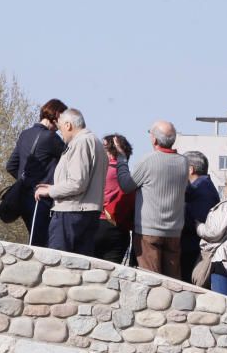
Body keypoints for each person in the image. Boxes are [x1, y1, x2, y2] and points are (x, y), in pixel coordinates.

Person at [114, 120, 189, 278]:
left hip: (148, 230)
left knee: (151, 281)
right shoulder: (184, 162)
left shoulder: (149, 160)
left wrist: (121, 159)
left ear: (154, 139)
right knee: (173, 281)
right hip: (174, 231)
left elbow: (126, 185)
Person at [33, 108, 107, 257]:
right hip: (87, 212)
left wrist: (50, 191)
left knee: (57, 263)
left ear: (68, 125)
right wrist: (55, 187)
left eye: (60, 128)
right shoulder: (95, 142)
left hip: (70, 212)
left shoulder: (81, 142)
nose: (61, 133)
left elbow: (77, 183)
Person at [6, 99, 67, 247]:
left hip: (23, 196)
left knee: (35, 240)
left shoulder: (25, 134)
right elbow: (71, 160)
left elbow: (11, 165)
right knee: (43, 243)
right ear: (57, 115)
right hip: (42, 199)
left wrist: (27, 180)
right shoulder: (52, 138)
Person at [93, 134, 137, 263]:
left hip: (97, 224)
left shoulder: (99, 171)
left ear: (111, 152)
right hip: (119, 229)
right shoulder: (129, 177)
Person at [180, 151, 221, 282]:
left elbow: (196, 221)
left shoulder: (200, 189)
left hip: (191, 249)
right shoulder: (203, 186)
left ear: (190, 169)